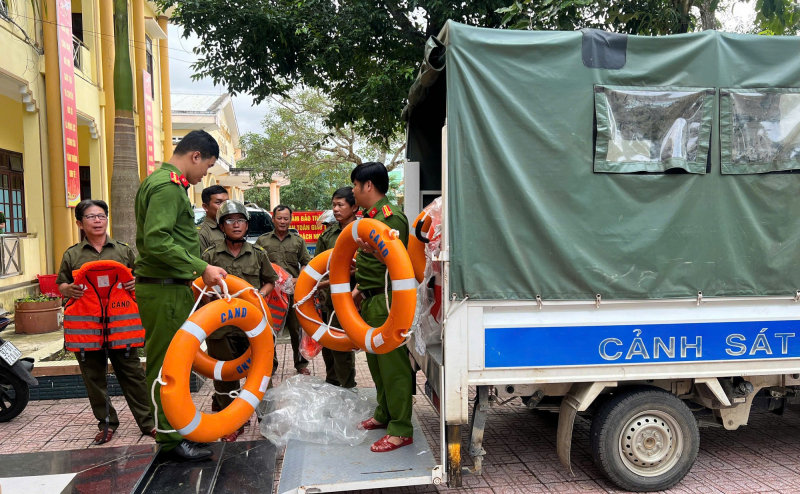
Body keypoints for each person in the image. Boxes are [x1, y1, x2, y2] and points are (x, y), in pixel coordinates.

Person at [134, 129, 228, 462]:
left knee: (174, 362)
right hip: (164, 289)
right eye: (207, 166)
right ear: (195, 156)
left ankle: (174, 433)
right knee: (166, 366)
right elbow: (157, 241)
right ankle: (171, 441)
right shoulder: (167, 188)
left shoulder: (162, 182)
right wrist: (201, 266)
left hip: (170, 287)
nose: (205, 175)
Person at [56, 199, 155, 444]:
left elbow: (139, 277)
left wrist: (136, 282)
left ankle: (149, 423)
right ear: (80, 223)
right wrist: (67, 289)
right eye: (91, 217)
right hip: (88, 330)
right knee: (94, 380)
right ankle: (106, 424)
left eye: (101, 216)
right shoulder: (72, 254)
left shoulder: (123, 251)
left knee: (133, 376)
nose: (97, 220)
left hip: (122, 327)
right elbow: (62, 284)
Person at [350, 162, 415, 453]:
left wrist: (372, 250)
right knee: (376, 363)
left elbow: (396, 263)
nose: (353, 191)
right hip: (371, 299)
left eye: (354, 185)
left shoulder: (392, 218)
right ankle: (384, 413)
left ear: (368, 186)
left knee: (394, 367)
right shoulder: (369, 217)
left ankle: (401, 429)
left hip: (389, 301)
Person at [201, 200, 278, 441]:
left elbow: (269, 281)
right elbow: (199, 286)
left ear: (247, 225)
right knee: (225, 377)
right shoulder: (210, 255)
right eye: (230, 221)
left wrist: (259, 295)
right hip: (221, 328)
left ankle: (268, 421)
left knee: (261, 373)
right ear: (221, 226)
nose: (236, 225)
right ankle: (233, 422)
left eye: (241, 221)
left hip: (252, 327)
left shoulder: (258, 254)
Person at [255, 205, 312, 375]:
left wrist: (299, 279)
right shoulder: (262, 241)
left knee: (296, 329)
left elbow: (306, 264)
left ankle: (301, 364)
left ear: (290, 220)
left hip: (293, 293)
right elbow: (257, 266)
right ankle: (270, 365)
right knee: (270, 330)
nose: (282, 221)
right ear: (273, 219)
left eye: (286, 218)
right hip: (271, 294)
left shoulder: (298, 241)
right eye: (279, 218)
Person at [315, 188, 358, 388]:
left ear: (354, 206)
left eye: (341, 205)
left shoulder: (363, 231)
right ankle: (331, 384)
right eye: (334, 205)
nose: (336, 209)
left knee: (344, 346)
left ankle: (347, 388)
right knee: (329, 345)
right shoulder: (328, 235)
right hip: (330, 299)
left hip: (356, 297)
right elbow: (319, 268)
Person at [198, 185, 229, 253]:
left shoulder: (231, 227)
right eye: (218, 202)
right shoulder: (202, 233)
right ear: (205, 207)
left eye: (227, 202)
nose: (224, 206)